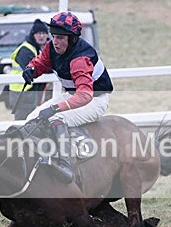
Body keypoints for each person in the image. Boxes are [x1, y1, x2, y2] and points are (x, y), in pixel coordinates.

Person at [21, 11, 113, 183]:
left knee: (57, 118)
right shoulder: (51, 47)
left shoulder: (80, 59)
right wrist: (31, 69)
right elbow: (41, 62)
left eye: (61, 38)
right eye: (54, 36)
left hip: (94, 100)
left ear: (72, 39)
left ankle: (65, 164)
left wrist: (55, 108)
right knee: (32, 118)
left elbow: (84, 96)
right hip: (72, 95)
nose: (55, 41)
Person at [9, 19, 49, 120]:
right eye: (38, 33)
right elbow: (34, 68)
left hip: (29, 91)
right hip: (22, 91)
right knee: (21, 122)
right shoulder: (25, 49)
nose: (41, 36)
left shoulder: (38, 48)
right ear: (33, 35)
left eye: (44, 33)